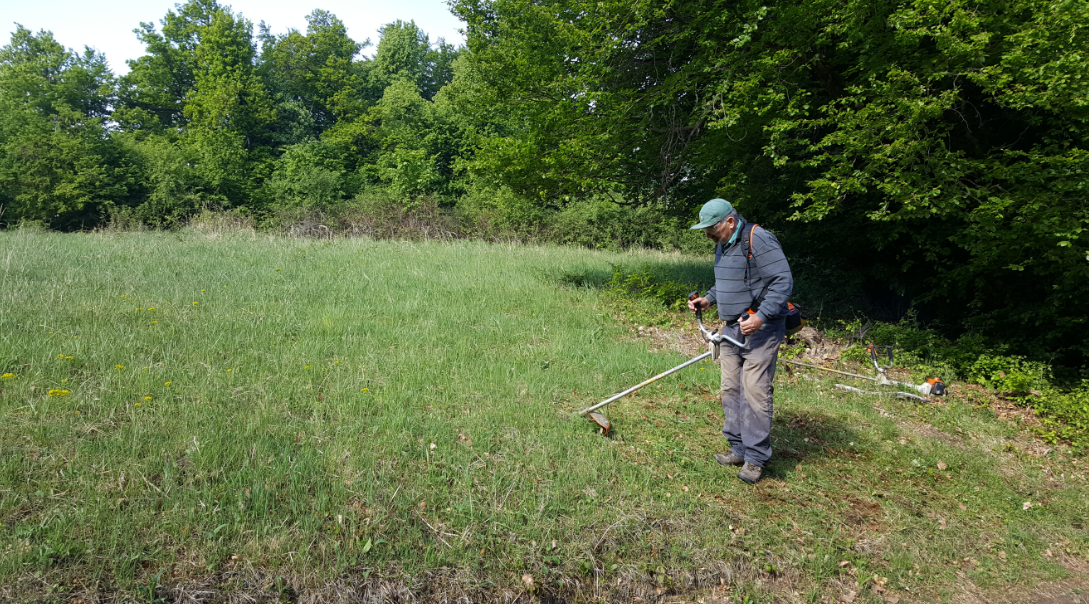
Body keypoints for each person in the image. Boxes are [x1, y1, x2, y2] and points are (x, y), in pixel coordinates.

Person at [687, 199, 793, 484]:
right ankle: (738, 447)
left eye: (711, 229)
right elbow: (727, 281)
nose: (708, 235)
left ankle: (756, 458)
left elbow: (782, 281)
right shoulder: (723, 243)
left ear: (730, 222)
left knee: (754, 389)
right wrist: (708, 299)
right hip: (732, 329)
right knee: (731, 388)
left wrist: (761, 316)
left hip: (762, 329)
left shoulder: (759, 239)